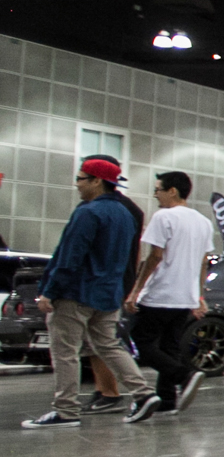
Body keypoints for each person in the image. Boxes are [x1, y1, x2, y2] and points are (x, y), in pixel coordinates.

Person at [22, 158, 153, 428]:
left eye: (81, 179)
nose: (77, 184)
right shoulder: (126, 215)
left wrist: (50, 291)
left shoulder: (88, 212)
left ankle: (66, 410)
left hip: (76, 293)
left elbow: (69, 257)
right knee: (109, 345)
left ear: (96, 181)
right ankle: (143, 393)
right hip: (108, 295)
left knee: (65, 351)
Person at [124, 170, 216, 421]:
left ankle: (183, 376)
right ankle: (167, 400)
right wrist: (199, 296)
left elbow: (155, 256)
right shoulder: (203, 222)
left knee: (138, 343)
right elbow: (203, 262)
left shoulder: (163, 216)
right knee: (169, 346)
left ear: (172, 191)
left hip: (161, 293)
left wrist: (136, 291)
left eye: (158, 190)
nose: (155, 195)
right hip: (184, 297)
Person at [78, 153, 145, 415]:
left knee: (101, 341)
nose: (78, 182)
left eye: (82, 176)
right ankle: (106, 390)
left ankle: (110, 393)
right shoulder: (130, 208)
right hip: (117, 280)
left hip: (101, 282)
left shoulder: (103, 208)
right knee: (101, 341)